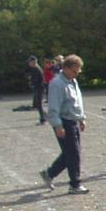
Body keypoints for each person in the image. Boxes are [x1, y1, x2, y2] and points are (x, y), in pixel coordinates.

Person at [41, 55, 88, 194]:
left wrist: (81, 118)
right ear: (65, 68)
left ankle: (49, 173)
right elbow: (53, 107)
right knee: (73, 154)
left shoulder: (72, 81)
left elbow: (77, 102)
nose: (77, 73)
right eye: (75, 70)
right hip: (63, 121)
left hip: (73, 120)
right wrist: (58, 125)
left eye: (79, 71)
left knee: (70, 153)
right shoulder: (57, 84)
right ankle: (75, 184)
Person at [27, 56, 46, 124]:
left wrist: (31, 82)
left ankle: (43, 118)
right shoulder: (34, 69)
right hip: (37, 87)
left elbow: (38, 79)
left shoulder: (36, 69)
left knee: (39, 104)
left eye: (30, 62)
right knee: (37, 104)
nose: (29, 63)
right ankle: (44, 116)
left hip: (39, 88)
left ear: (33, 62)